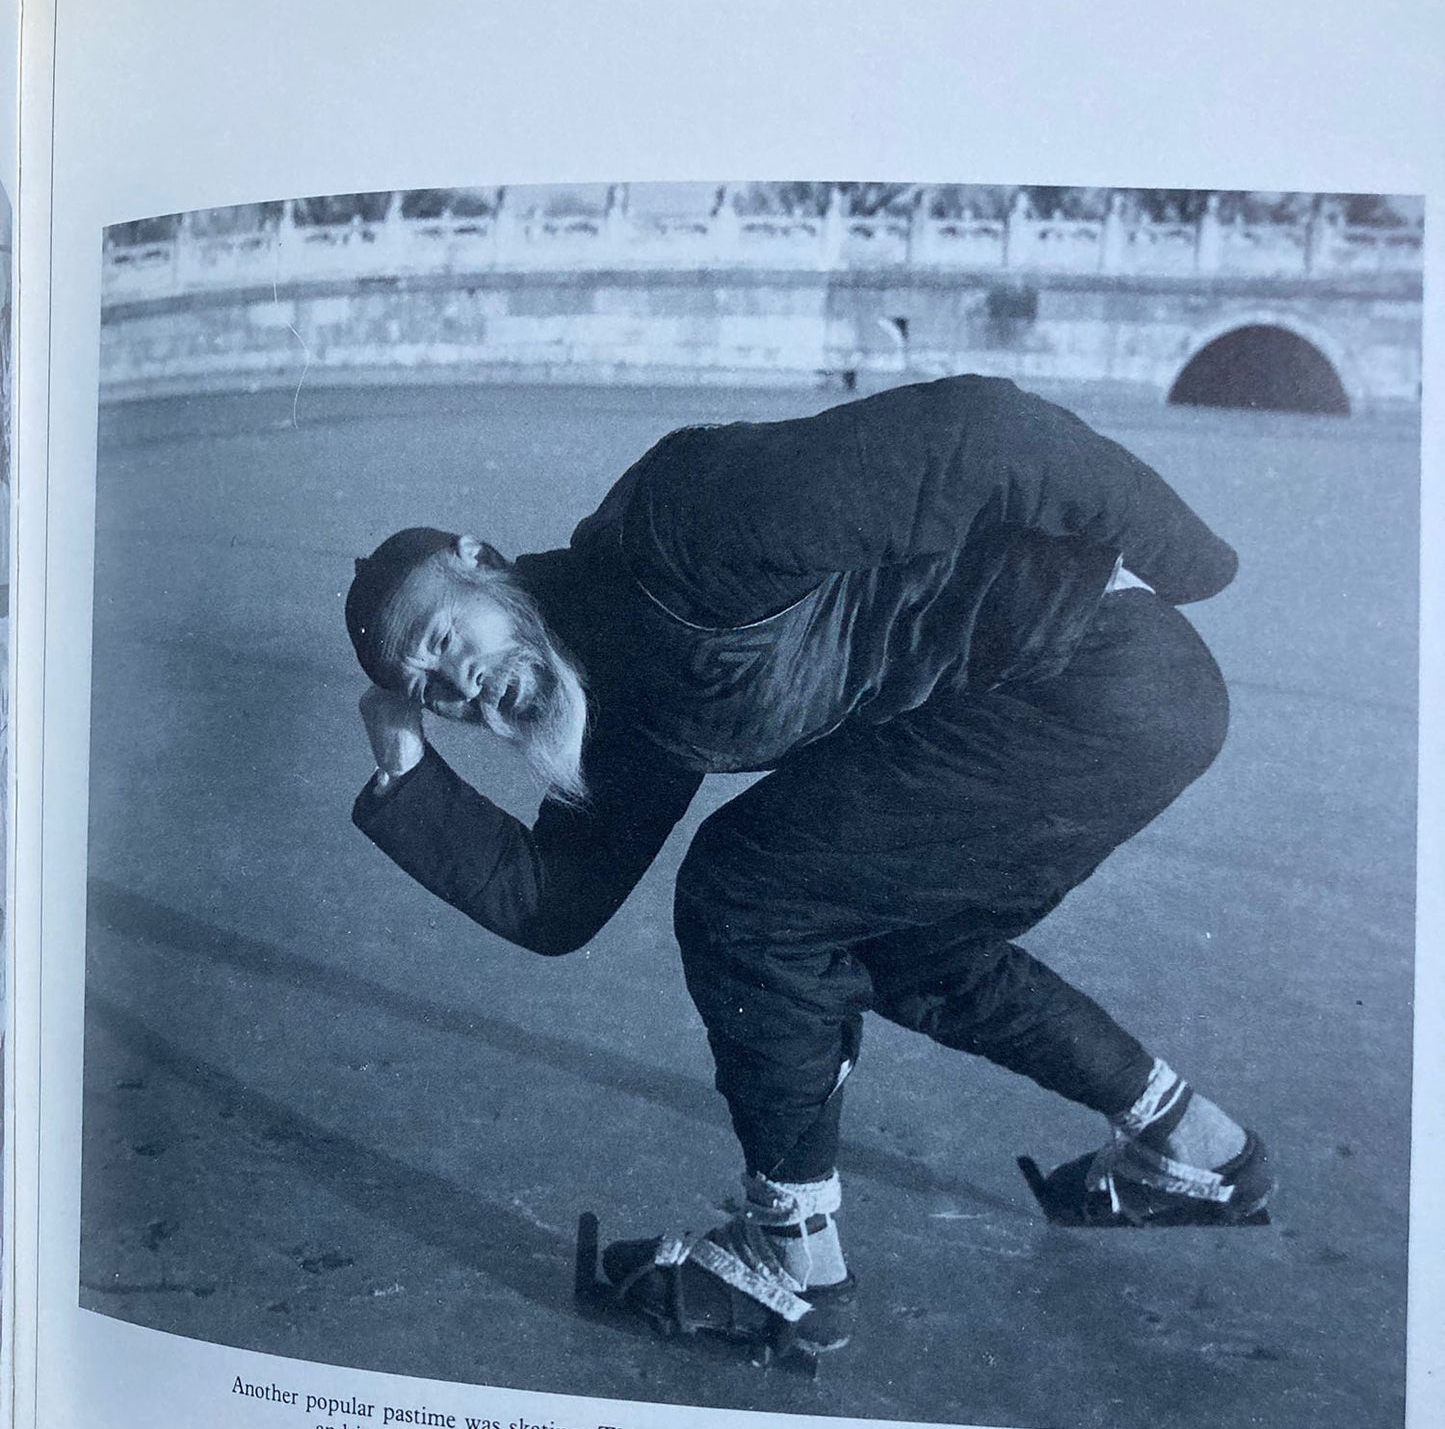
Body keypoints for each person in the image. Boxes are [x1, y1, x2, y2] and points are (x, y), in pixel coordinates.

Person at [345, 375, 1271, 1367]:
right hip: (1092, 710)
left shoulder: (672, 533)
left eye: (446, 638)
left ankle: (787, 1256)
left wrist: (1191, 563)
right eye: (427, 689)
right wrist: (409, 771)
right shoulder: (605, 694)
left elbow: (979, 432)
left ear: (479, 562)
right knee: (901, 942)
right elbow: (555, 902)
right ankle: (1189, 1145)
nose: (459, 686)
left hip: (1088, 673)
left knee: (744, 892)